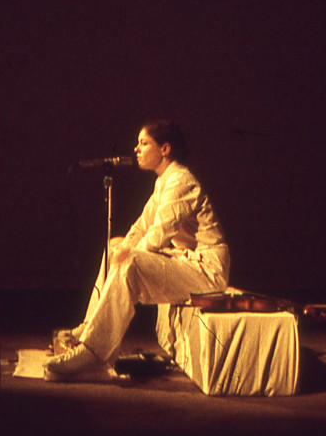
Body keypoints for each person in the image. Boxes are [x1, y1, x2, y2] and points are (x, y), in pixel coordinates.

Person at [46, 120, 230, 379]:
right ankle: (90, 326)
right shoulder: (164, 182)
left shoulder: (181, 181)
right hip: (186, 261)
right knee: (115, 248)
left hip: (207, 270)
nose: (137, 149)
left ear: (165, 149)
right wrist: (124, 246)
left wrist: (132, 253)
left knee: (130, 259)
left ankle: (94, 352)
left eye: (144, 143)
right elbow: (142, 226)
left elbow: (159, 234)